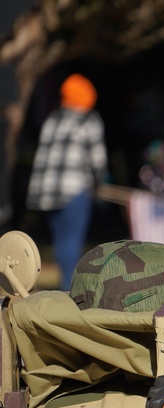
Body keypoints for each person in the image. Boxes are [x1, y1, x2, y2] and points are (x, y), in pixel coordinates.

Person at [26, 73, 108, 291]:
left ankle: (66, 285)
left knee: (61, 241)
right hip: (74, 191)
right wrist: (100, 183)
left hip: (46, 193)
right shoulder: (89, 120)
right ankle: (70, 290)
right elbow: (97, 160)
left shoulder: (53, 120)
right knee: (71, 240)